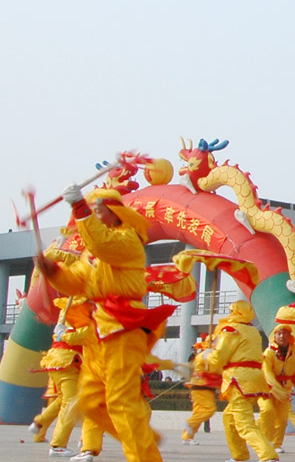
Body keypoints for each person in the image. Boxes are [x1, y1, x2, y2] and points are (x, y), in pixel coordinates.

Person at [36, 187, 176, 462]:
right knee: (89, 400)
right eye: (92, 209)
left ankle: (144, 456)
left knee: (120, 402)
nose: (94, 213)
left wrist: (79, 207)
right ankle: (141, 437)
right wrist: (52, 270)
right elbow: (77, 281)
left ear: (116, 213)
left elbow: (102, 244)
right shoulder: (92, 255)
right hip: (100, 328)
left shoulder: (127, 240)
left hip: (124, 324)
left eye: (99, 209)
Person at [204, 300, 279, 462]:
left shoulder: (231, 330)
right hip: (254, 378)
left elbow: (220, 357)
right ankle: (239, 455)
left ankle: (268, 455)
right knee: (229, 417)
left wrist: (208, 355)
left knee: (244, 423)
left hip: (239, 380)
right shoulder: (252, 331)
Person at [29, 312, 88, 457]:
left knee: (62, 400)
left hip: (57, 360)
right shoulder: (82, 312)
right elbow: (83, 336)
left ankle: (39, 423)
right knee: (71, 402)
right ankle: (58, 445)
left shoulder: (66, 311)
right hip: (67, 361)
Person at [259, 324, 295, 454]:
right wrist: (275, 388)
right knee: (267, 412)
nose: (282, 336)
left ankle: (277, 444)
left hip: (286, 389)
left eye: (285, 334)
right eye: (279, 334)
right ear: (275, 336)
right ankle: (266, 442)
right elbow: (266, 372)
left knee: (283, 418)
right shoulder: (269, 352)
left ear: (289, 336)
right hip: (269, 388)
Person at [182, 334, 220, 446]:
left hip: (204, 387)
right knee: (209, 409)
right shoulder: (205, 355)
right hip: (201, 386)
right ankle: (189, 423)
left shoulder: (207, 355)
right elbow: (214, 368)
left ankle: (187, 437)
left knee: (198, 412)